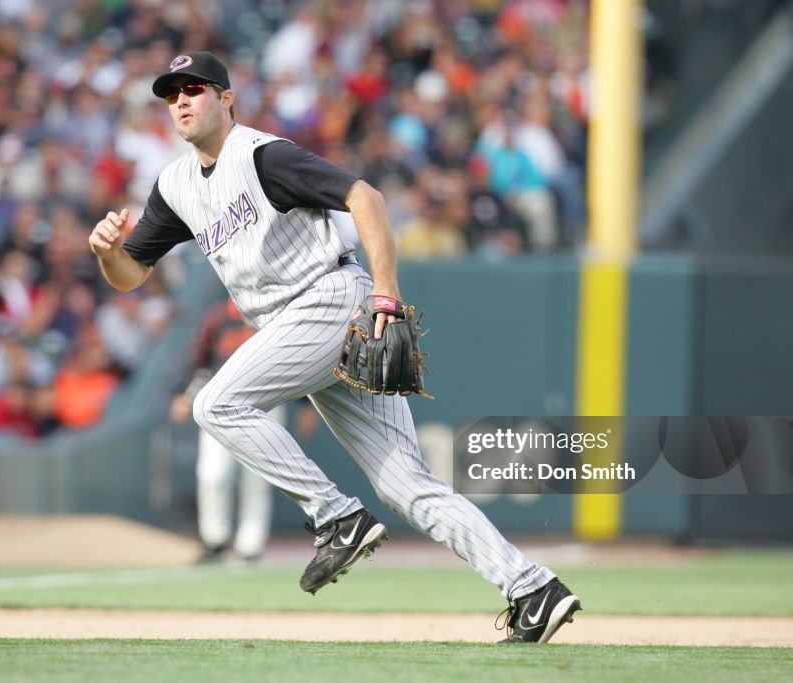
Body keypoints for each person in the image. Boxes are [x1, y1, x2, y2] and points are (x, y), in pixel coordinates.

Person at [88, 51, 581, 644]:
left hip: (328, 298)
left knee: (215, 404)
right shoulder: (175, 186)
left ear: (226, 99)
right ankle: (533, 588)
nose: (182, 102)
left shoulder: (264, 156)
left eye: (195, 88)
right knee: (405, 484)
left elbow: (365, 197)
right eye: (172, 95)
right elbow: (131, 275)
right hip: (291, 325)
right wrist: (107, 253)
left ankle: (336, 517)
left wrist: (386, 294)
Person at [170, 297, 284, 564]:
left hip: (266, 402)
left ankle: (250, 545)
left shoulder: (274, 314)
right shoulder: (218, 317)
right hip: (219, 402)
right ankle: (215, 538)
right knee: (213, 474)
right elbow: (198, 359)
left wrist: (304, 405)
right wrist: (183, 393)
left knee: (258, 479)